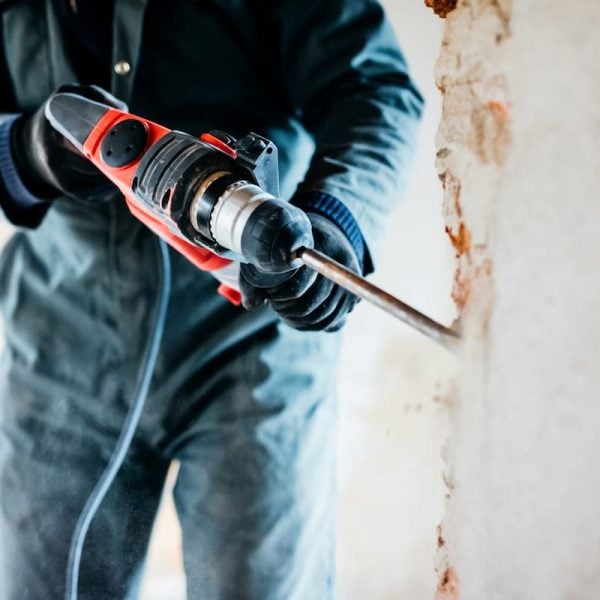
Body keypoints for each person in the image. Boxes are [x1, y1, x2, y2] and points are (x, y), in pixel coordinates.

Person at [0, 0, 423, 598]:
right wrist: (22, 151)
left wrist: (336, 220)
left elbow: (375, 88)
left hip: (250, 353)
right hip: (59, 346)